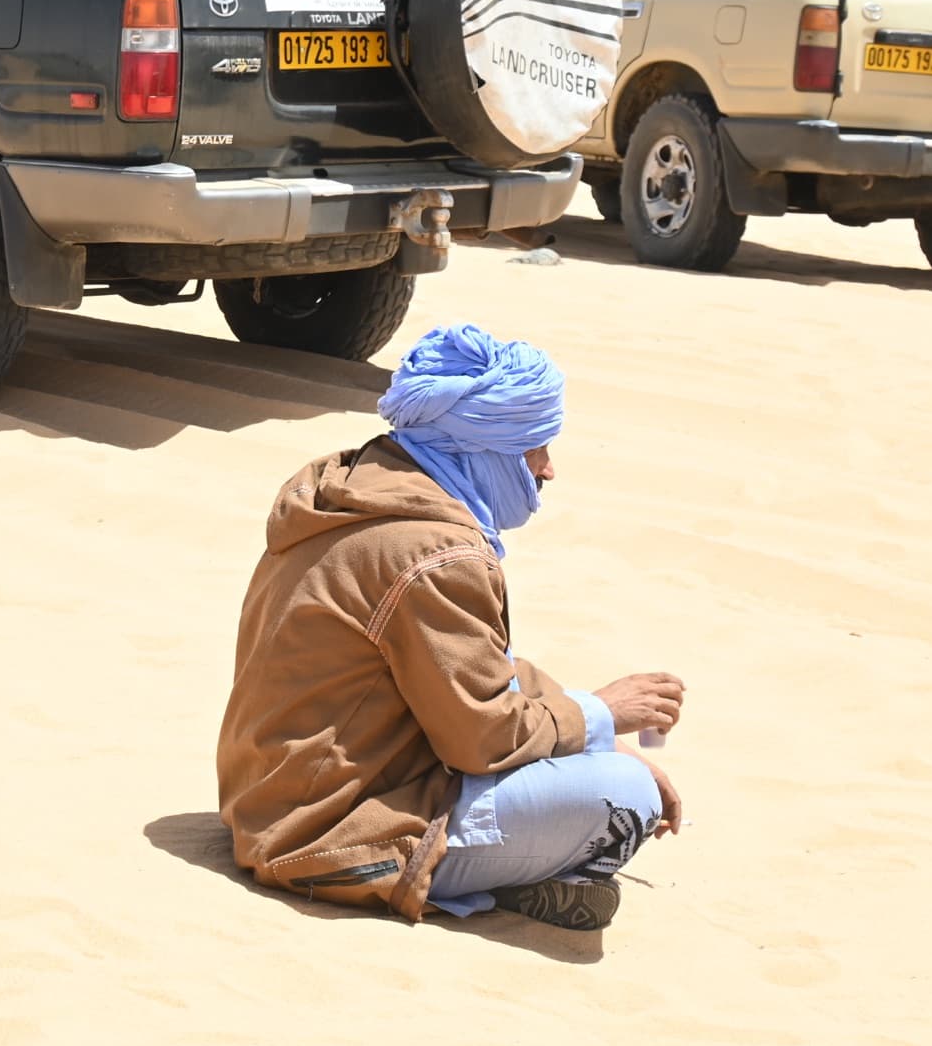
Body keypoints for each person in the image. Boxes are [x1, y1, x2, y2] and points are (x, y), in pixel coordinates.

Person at [216, 326, 687, 931]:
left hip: (263, 801)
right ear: (481, 448)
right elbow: (482, 739)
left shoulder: (364, 487)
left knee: (601, 762)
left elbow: (473, 670)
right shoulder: (434, 551)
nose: (547, 470)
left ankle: (517, 872)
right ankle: (483, 878)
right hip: (320, 831)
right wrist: (599, 715)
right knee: (625, 795)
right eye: (533, 448)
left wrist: (589, 730)